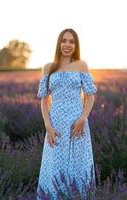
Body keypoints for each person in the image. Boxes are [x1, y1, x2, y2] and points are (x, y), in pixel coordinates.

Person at [36, 28, 97, 200]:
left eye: (71, 41)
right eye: (64, 40)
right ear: (58, 43)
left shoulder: (81, 65)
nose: (67, 44)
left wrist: (83, 118)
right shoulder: (48, 68)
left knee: (79, 166)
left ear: (76, 45)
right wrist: (47, 125)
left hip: (78, 124)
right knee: (55, 167)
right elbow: (43, 99)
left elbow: (90, 95)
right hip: (55, 124)